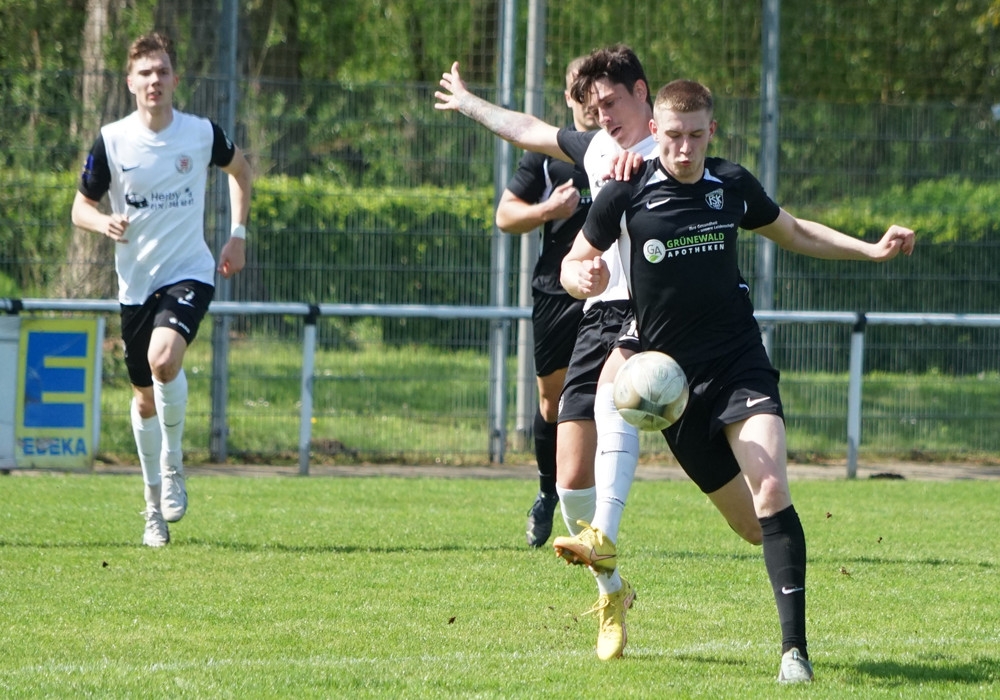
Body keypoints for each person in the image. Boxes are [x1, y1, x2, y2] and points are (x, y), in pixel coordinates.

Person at [561, 78, 915, 682]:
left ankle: (794, 653)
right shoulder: (624, 190)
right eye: (674, 136)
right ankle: (610, 559)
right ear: (655, 131)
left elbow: (793, 230)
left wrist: (870, 250)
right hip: (672, 386)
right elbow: (575, 262)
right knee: (753, 526)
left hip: (736, 363)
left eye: (697, 136)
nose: (684, 149)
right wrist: (582, 279)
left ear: (712, 132)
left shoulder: (731, 184)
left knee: (771, 488)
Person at [437, 44, 679, 661]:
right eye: (594, 106)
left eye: (612, 103)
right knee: (571, 485)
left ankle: (608, 534)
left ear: (643, 94)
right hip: (595, 318)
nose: (602, 116)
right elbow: (527, 129)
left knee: (615, 401)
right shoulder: (596, 150)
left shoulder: (671, 150)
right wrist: (467, 103)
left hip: (650, 315)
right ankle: (612, 592)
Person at [71, 32, 253, 548]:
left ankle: (174, 463)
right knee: (145, 401)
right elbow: (80, 207)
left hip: (189, 271)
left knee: (164, 359)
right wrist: (102, 222)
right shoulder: (111, 140)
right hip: (136, 286)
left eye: (163, 71)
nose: (155, 80)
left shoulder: (200, 133)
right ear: (130, 82)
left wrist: (237, 235)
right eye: (146, 73)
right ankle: (153, 508)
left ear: (175, 79)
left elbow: (241, 171)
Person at [494, 57, 598, 548]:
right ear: (568, 97)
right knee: (552, 403)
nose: (592, 102)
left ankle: (598, 508)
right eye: (582, 92)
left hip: (609, 290)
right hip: (555, 290)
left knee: (605, 397)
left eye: (600, 91)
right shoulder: (547, 154)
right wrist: (548, 209)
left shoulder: (624, 150)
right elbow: (505, 216)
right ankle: (546, 492)